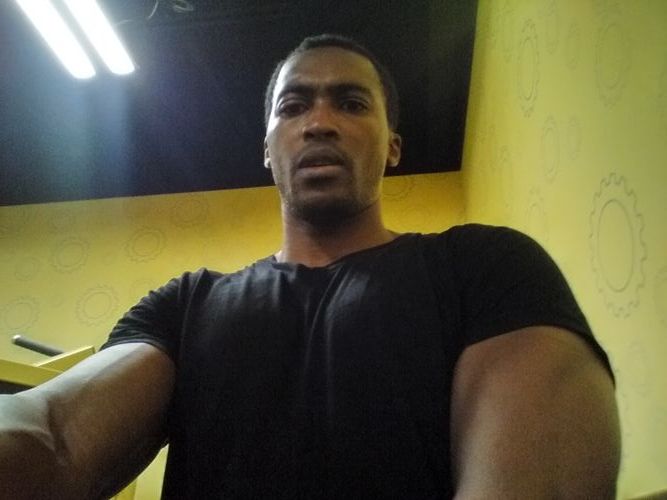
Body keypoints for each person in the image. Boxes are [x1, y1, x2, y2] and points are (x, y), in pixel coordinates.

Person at [0, 34, 620, 499]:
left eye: (351, 103)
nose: (319, 122)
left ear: (392, 147)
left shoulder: (489, 267)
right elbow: (55, 437)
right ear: (268, 150)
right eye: (293, 106)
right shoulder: (183, 307)